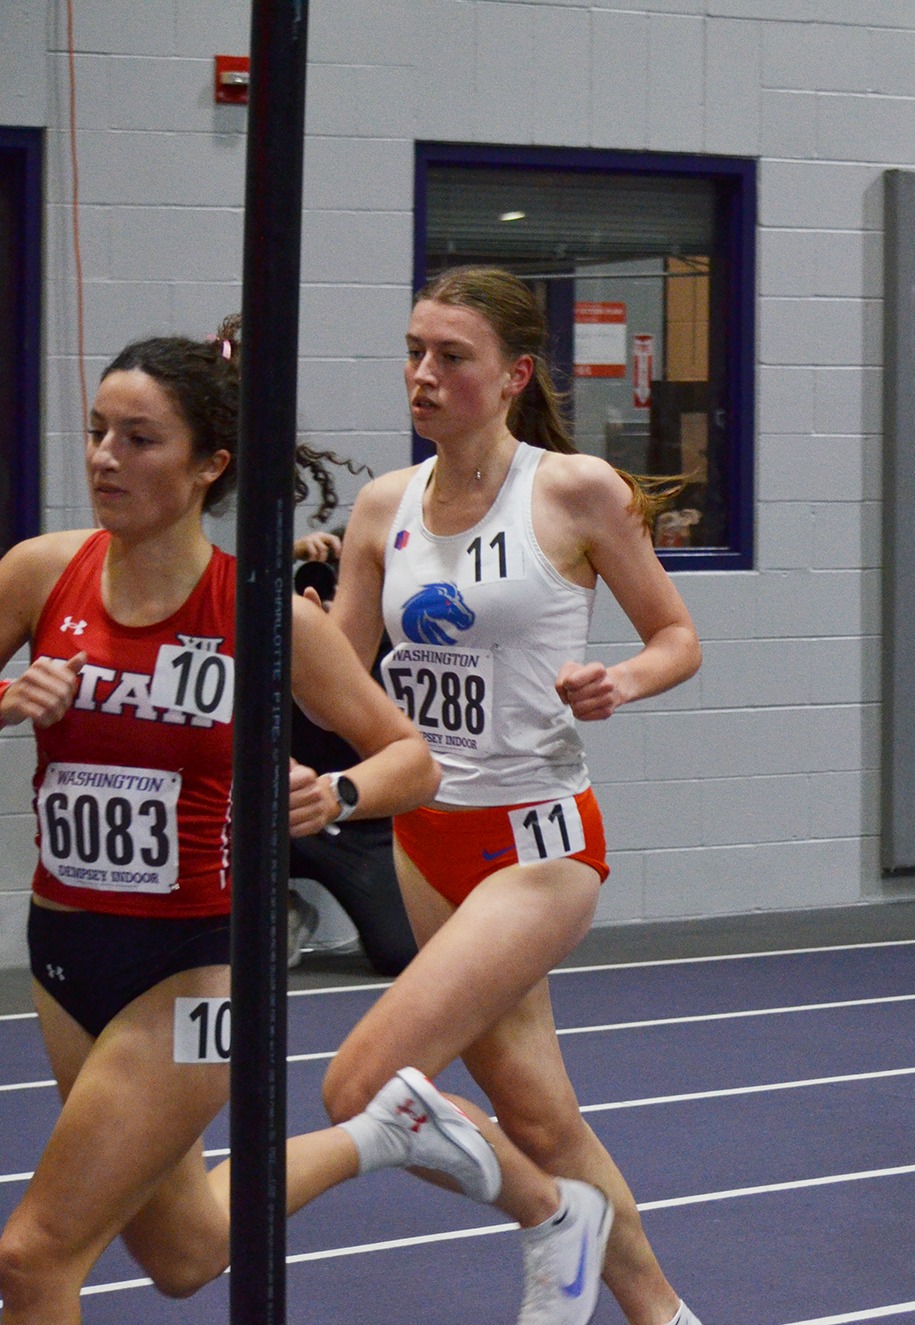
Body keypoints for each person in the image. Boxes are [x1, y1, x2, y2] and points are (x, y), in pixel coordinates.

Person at [0, 327, 489, 1322]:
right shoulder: (40, 574)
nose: (104, 457)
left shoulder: (264, 615)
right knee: (181, 1251)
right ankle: (382, 1132)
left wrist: (336, 795)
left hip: (196, 961)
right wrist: (7, 696)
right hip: (63, 947)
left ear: (209, 463)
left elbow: (411, 755)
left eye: (139, 438)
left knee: (34, 1255)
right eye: (97, 432)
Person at [324, 265, 704, 1325]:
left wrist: (616, 678)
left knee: (360, 1084)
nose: (424, 374)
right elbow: (339, 683)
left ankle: (552, 1219)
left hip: (537, 843)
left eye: (452, 356)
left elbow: (676, 637)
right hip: (424, 840)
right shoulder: (380, 506)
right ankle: (665, 1315)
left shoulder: (573, 489)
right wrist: (293, 615)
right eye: (414, 351)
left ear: (511, 375)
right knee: (540, 1118)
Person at [288, 547, 419, 976]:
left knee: (402, 953)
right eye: (329, 584)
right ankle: (275, 914)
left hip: (359, 828)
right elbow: (207, 594)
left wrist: (332, 650)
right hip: (278, 819)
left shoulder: (401, 654)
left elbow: (413, 759)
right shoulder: (282, 633)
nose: (332, 599)